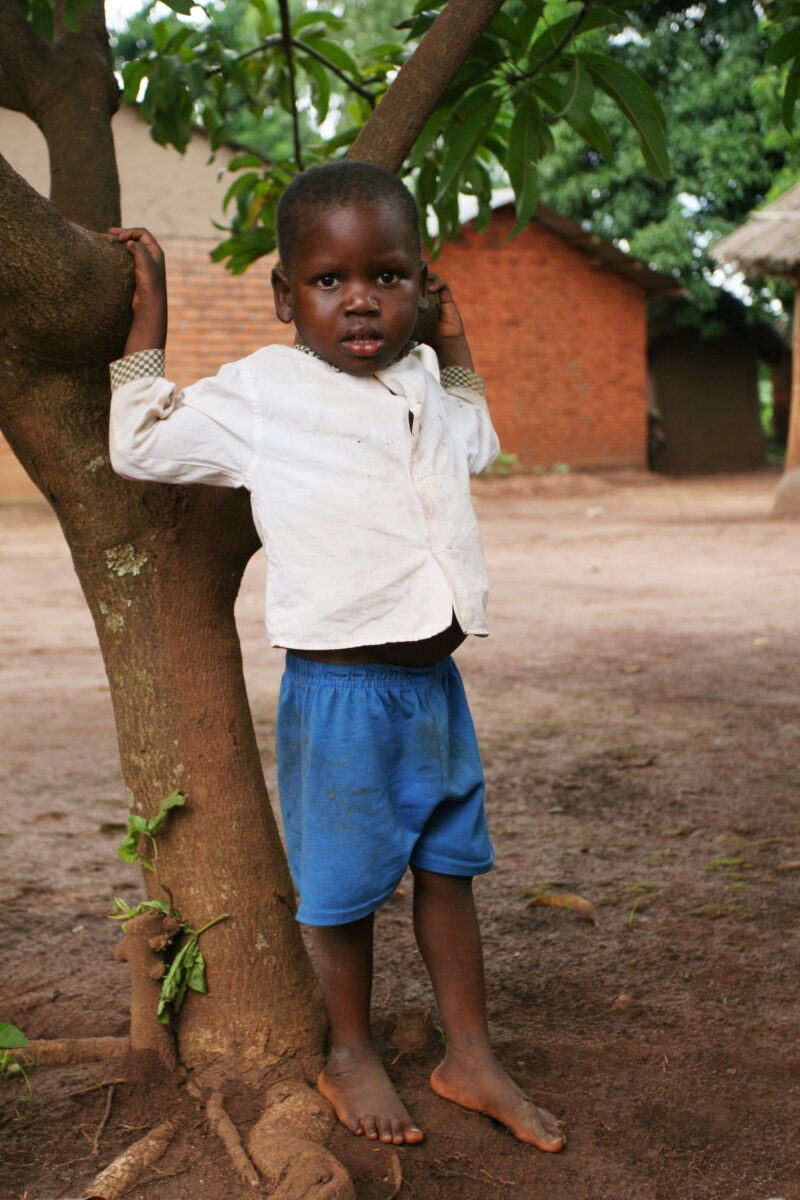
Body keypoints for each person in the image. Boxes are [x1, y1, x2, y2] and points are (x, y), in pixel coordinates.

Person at [107, 161, 565, 1153]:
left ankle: (468, 1051)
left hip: (435, 689)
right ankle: (348, 1046)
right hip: (343, 692)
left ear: (419, 286)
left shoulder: (420, 383)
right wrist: (148, 333)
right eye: (327, 280)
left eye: (387, 276)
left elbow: (476, 443)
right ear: (285, 295)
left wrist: (456, 345)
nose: (359, 298)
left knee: (450, 870)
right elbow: (140, 445)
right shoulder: (266, 393)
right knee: (345, 885)